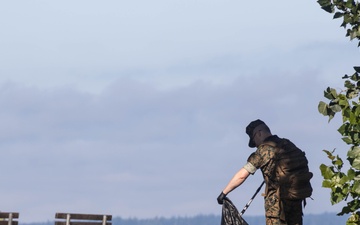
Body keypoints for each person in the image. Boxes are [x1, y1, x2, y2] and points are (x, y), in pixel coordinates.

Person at [217, 119, 306, 225]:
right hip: (296, 202)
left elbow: (242, 175)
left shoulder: (264, 150)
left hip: (277, 209)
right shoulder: (288, 145)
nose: (255, 145)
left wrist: (224, 193)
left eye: (254, 140)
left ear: (259, 133)